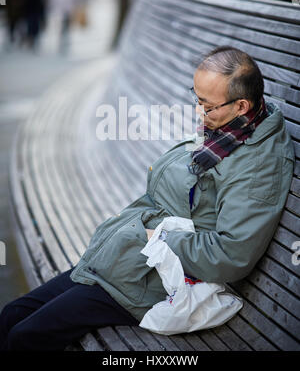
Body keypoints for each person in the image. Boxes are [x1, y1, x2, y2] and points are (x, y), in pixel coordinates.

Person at [0, 46, 294, 350]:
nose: (198, 112)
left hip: (149, 283)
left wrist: (163, 238)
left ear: (242, 105)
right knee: (12, 315)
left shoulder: (257, 168)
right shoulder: (231, 129)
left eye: (206, 105)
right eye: (196, 99)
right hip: (129, 256)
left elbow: (231, 255)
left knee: (25, 337)